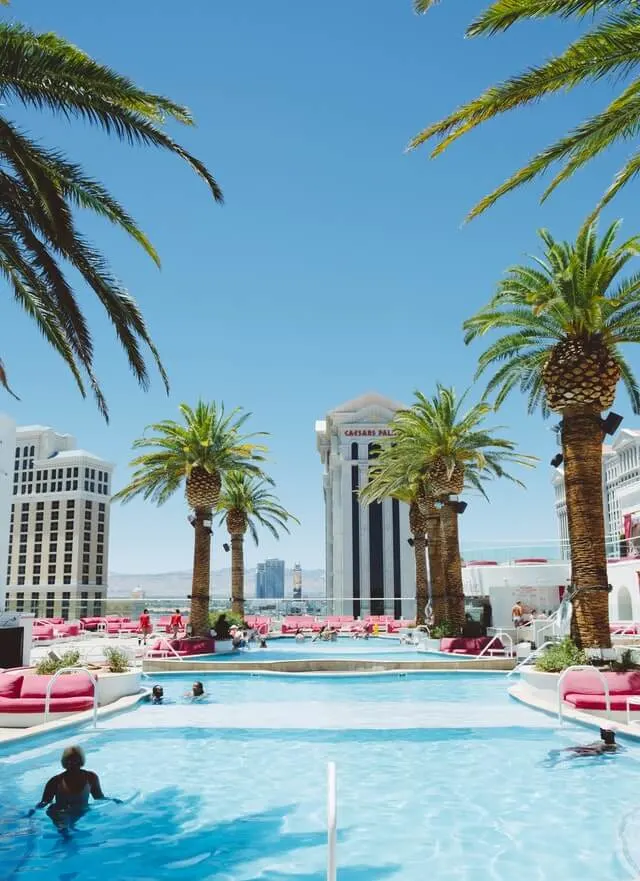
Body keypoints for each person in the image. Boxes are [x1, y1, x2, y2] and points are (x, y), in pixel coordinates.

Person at [28, 746, 121, 837]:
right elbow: (45, 801)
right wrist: (33, 811)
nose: (72, 764)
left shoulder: (91, 777)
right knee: (66, 833)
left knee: (71, 831)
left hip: (79, 811)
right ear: (65, 763)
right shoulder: (56, 781)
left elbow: (99, 797)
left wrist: (113, 800)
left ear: (80, 761)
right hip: (59, 813)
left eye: (75, 761)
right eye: (69, 761)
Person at [544, 728, 620, 767]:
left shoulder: (614, 746)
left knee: (574, 755)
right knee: (555, 750)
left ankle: (556, 762)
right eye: (601, 731)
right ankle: (551, 759)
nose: (601, 733)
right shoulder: (599, 741)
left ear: (612, 734)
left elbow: (602, 753)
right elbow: (587, 745)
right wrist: (577, 748)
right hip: (587, 749)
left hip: (594, 752)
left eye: (604, 731)